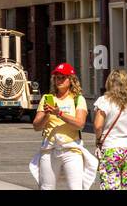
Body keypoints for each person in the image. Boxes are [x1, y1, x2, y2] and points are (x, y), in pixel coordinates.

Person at [32, 62, 89, 190]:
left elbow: (80, 124)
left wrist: (59, 113)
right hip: (49, 149)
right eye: (57, 77)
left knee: (76, 188)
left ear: (71, 80)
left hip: (71, 149)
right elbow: (36, 126)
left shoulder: (78, 99)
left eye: (63, 77)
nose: (59, 80)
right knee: (46, 187)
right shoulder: (47, 98)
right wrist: (46, 114)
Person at [93, 69, 127, 190]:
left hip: (110, 147)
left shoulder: (104, 101)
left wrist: (98, 139)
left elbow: (97, 126)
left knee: (110, 185)